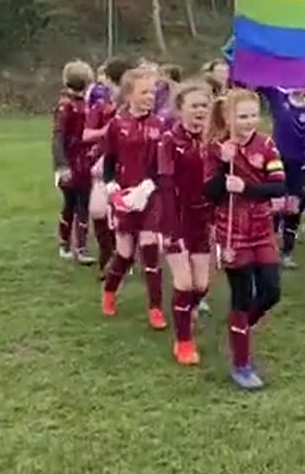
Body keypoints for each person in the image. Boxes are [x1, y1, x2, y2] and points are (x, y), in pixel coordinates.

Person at [203, 88, 287, 390]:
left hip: (262, 230)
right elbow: (208, 194)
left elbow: (279, 187)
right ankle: (242, 364)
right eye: (242, 116)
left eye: (253, 115)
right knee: (242, 296)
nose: (249, 121)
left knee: (271, 291)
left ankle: (239, 331)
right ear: (228, 118)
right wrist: (221, 171)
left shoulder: (266, 146)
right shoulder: (216, 149)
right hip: (232, 235)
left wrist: (247, 188)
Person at [100, 66, 168, 330]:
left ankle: (155, 308)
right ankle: (109, 293)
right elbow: (109, 162)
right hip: (125, 197)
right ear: (129, 95)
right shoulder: (117, 125)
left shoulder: (160, 125)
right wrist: (112, 188)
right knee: (125, 253)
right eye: (144, 91)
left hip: (151, 196)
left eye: (153, 91)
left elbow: (162, 165)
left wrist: (149, 186)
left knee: (151, 250)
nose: (150, 96)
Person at [155, 82, 216, 366]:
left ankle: (186, 310)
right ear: (180, 111)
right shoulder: (169, 141)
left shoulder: (212, 142)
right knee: (185, 282)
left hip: (201, 220)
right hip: (174, 218)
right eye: (194, 106)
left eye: (204, 105)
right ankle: (183, 343)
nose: (200, 111)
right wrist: (170, 229)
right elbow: (165, 187)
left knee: (201, 285)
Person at [257, 86, 305, 268]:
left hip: (299, 164)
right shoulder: (279, 98)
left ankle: (287, 252)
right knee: (275, 204)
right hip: (276, 161)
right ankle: (268, 247)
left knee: (293, 207)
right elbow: (259, 81)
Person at [83, 58, 131, 274]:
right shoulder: (102, 107)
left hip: (128, 167)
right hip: (103, 164)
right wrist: (107, 132)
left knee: (122, 214)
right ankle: (108, 254)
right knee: (98, 211)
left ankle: (122, 258)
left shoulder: (135, 111)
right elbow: (86, 134)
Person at [51, 60, 96, 264]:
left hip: (84, 162)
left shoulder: (85, 104)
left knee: (83, 204)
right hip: (71, 162)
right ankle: (65, 243)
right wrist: (62, 165)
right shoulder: (65, 106)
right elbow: (58, 137)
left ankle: (80, 247)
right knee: (71, 204)